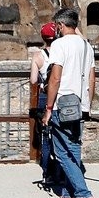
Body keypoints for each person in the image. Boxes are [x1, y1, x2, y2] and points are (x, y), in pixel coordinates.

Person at [41, 8, 98, 198]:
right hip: (80, 105)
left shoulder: (58, 44)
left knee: (61, 153)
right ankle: (69, 192)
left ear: (60, 25)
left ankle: (83, 195)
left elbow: (55, 78)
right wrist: (87, 106)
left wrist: (48, 109)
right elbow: (92, 78)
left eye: (56, 26)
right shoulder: (86, 45)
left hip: (61, 105)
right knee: (73, 150)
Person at [30, 22, 59, 188]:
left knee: (45, 137)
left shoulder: (37, 55)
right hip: (59, 97)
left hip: (44, 96)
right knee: (60, 135)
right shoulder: (61, 52)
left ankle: (48, 174)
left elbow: (33, 80)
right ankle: (61, 171)